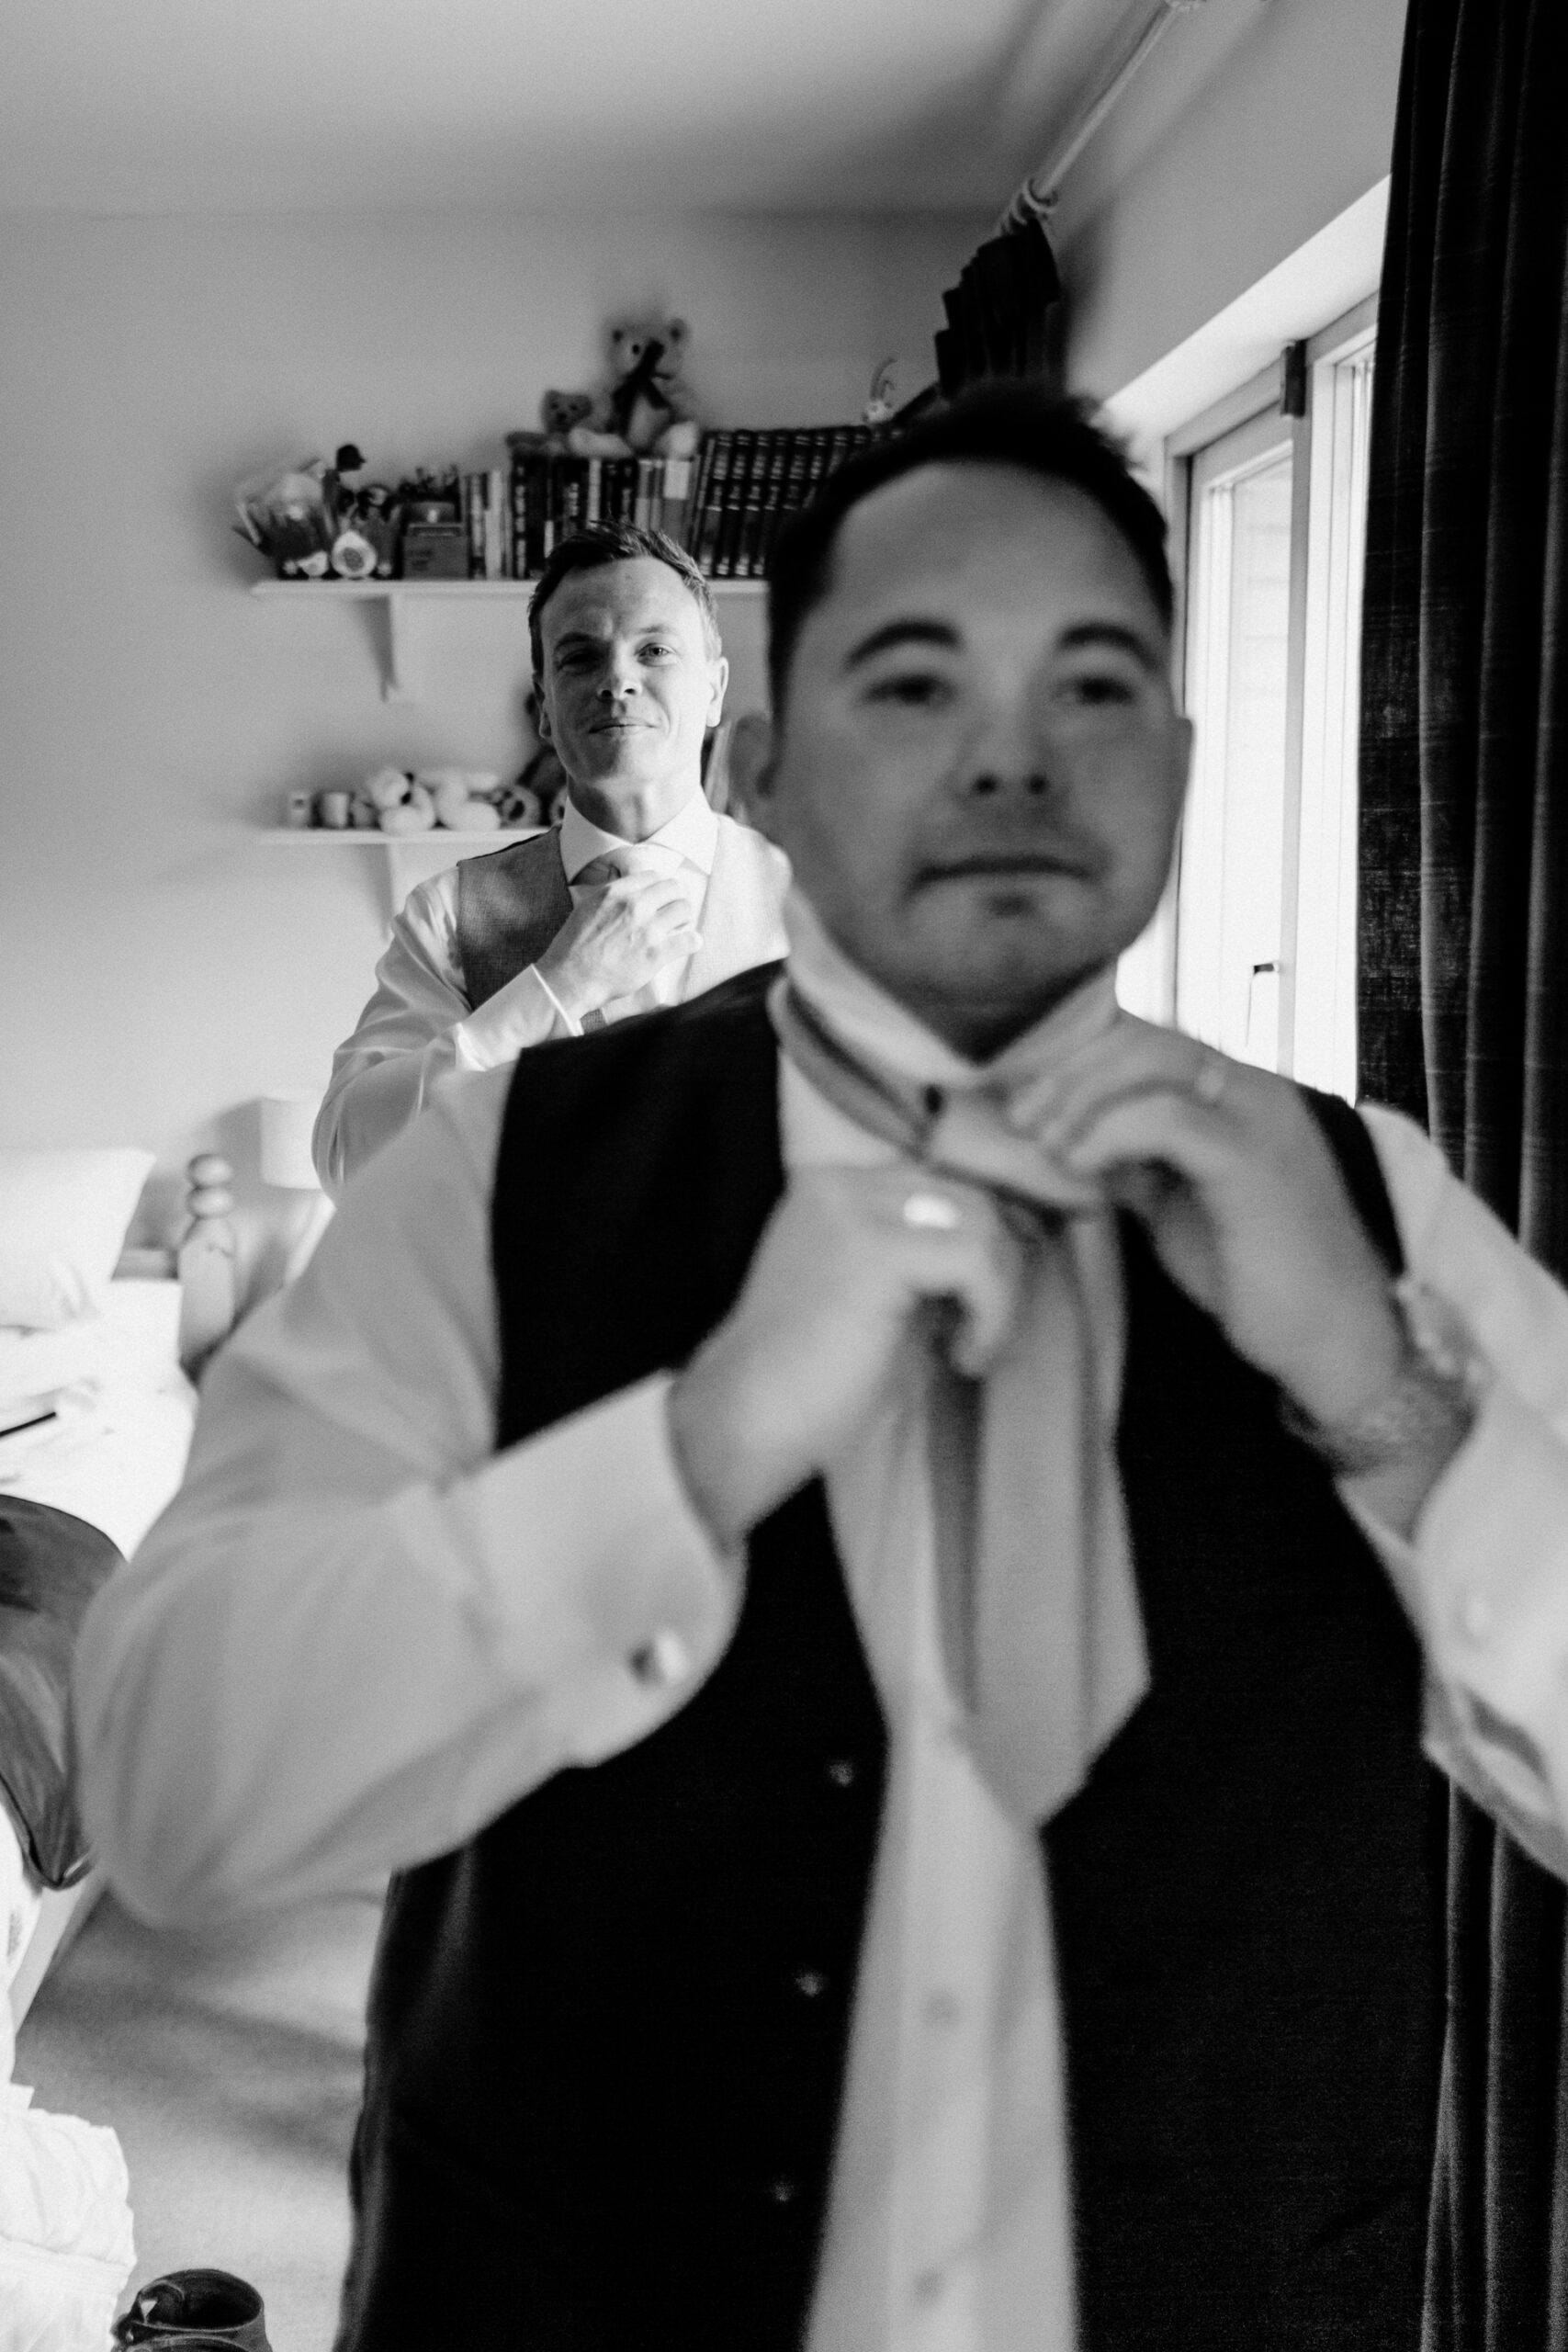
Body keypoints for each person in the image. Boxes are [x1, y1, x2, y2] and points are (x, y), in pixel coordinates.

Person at [74, 387, 1568, 2352]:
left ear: (1180, 765)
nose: (1010, 757)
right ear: (769, 770)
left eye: (1093, 686)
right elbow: (172, 1785)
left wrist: (1386, 1394)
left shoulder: (1379, 1208)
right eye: (914, 683)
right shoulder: (494, 1177)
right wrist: (682, 1459)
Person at [310, 523, 788, 1194]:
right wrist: (556, 989)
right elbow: (346, 1159)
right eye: (579, 657)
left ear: (713, 689)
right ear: (544, 709)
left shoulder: (814, 899)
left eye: (653, 650)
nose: (617, 679)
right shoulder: (449, 914)